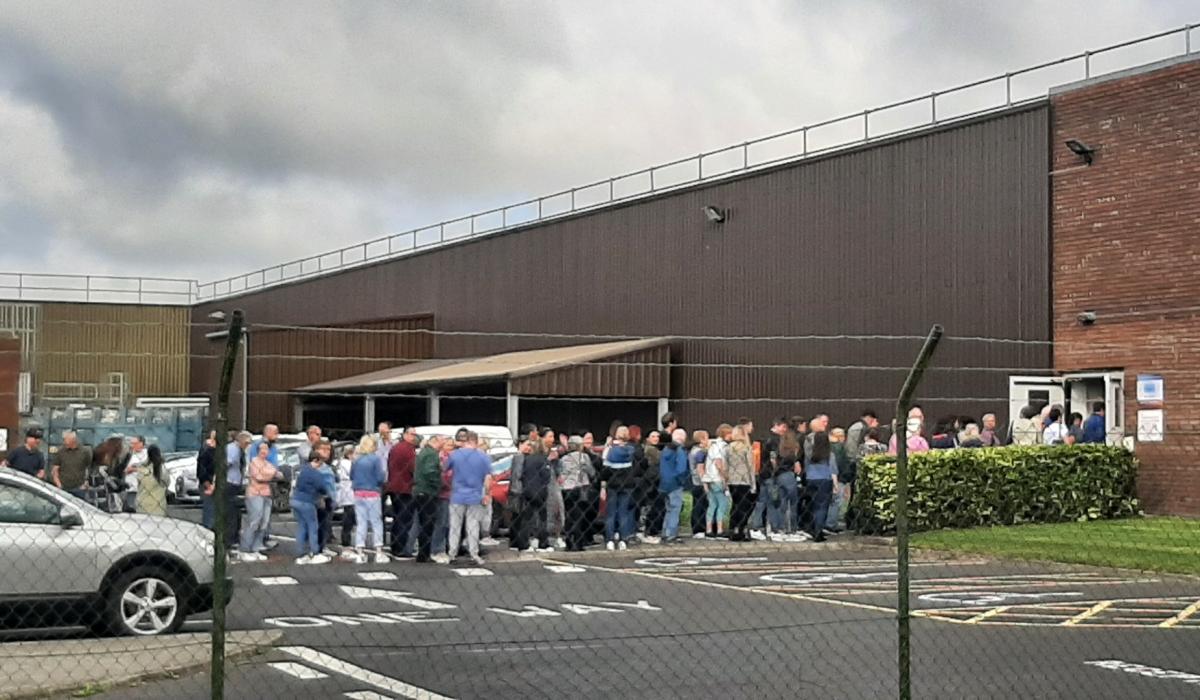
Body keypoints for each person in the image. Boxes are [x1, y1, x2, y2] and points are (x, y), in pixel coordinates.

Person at [446, 431, 493, 566]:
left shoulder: (454, 455)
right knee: (473, 525)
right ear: (476, 441)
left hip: (457, 494)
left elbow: (445, 470)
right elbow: (488, 477)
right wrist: (487, 494)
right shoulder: (483, 457)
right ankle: (474, 553)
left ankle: (452, 553)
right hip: (475, 495)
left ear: (465, 440)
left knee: (455, 525)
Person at [348, 435, 388, 563]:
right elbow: (380, 477)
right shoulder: (375, 459)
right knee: (376, 522)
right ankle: (379, 551)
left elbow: (351, 475)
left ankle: (360, 551)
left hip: (358, 493)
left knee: (361, 522)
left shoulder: (357, 460)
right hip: (372, 493)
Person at [291, 452, 334, 564]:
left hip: (296, 500)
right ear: (316, 460)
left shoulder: (303, 470)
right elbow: (323, 488)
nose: (321, 465)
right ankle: (315, 553)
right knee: (312, 527)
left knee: (302, 527)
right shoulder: (316, 474)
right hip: (307, 502)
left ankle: (302, 554)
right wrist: (329, 496)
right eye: (320, 463)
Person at [601, 425, 639, 550]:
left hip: (613, 484)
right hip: (627, 484)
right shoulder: (631, 450)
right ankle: (623, 540)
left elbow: (605, 469)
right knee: (623, 513)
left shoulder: (611, 450)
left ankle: (610, 540)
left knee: (611, 513)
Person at [240, 441, 279, 562]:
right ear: (258, 450)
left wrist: (269, 474)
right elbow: (259, 477)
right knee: (254, 521)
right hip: (254, 494)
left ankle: (256, 546)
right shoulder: (254, 462)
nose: (264, 451)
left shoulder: (268, 463)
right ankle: (245, 549)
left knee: (264, 521)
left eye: (266, 449)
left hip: (266, 494)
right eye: (262, 449)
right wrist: (271, 474)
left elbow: (279, 474)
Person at [514, 435, 553, 553]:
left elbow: (522, 475)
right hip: (540, 491)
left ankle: (523, 544)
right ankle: (543, 543)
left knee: (527, 518)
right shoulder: (543, 459)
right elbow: (546, 476)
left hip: (527, 491)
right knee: (542, 518)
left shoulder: (527, 459)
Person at [559, 436, 596, 551]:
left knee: (569, 515)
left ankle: (569, 541)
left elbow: (560, 472)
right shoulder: (584, 457)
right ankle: (578, 542)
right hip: (580, 488)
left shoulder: (564, 459)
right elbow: (591, 472)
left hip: (566, 488)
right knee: (579, 517)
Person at [386, 426, 419, 557]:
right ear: (405, 434)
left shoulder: (395, 448)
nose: (414, 437)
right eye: (412, 434)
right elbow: (413, 467)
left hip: (394, 486)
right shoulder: (408, 449)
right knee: (404, 519)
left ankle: (395, 545)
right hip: (405, 487)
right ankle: (400, 547)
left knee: (398, 517)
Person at [412, 434, 445, 562]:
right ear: (435, 441)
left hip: (419, 491)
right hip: (428, 492)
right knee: (428, 524)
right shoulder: (432, 454)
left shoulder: (423, 452)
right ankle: (424, 553)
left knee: (422, 523)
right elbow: (430, 472)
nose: (443, 445)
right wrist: (439, 484)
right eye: (442, 442)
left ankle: (422, 553)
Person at [658, 428, 690, 544]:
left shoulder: (665, 449)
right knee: (675, 509)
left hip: (664, 482)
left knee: (668, 509)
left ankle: (665, 533)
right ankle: (671, 534)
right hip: (675, 483)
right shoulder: (679, 450)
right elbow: (681, 468)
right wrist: (681, 481)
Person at [806, 431, 839, 542]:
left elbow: (806, 465)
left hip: (811, 479)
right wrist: (835, 484)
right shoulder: (829, 454)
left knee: (813, 506)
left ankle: (812, 528)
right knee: (822, 507)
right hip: (824, 479)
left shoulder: (811, 453)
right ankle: (818, 531)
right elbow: (833, 470)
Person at [725, 425, 756, 541]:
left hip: (732, 480)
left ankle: (732, 529)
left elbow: (726, 465)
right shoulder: (746, 448)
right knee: (743, 506)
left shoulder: (728, 448)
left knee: (735, 505)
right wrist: (753, 484)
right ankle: (741, 530)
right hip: (744, 480)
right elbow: (750, 466)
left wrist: (726, 481)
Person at [703, 425, 730, 539]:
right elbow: (719, 463)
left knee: (712, 505)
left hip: (709, 478)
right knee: (722, 504)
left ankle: (709, 529)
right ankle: (719, 529)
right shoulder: (722, 446)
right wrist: (725, 477)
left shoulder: (712, 445)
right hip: (718, 478)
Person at [541, 428, 566, 550]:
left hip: (554, 484)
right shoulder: (539, 452)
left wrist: (559, 472)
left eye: (553, 436)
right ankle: (545, 537)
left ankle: (558, 535)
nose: (552, 439)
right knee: (546, 511)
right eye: (550, 436)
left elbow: (559, 469)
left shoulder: (554, 452)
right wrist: (548, 459)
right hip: (542, 485)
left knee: (558, 509)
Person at [640, 430, 664, 544]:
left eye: (657, 436)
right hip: (652, 481)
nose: (656, 438)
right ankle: (650, 530)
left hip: (655, 481)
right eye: (653, 436)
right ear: (648, 439)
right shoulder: (650, 450)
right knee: (653, 506)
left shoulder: (656, 449)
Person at [51, 431, 92, 498]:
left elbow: (90, 467)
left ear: (73, 440)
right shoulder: (61, 452)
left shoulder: (85, 452)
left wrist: (86, 481)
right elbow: (55, 469)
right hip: (63, 488)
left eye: (65, 440)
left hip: (79, 489)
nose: (64, 442)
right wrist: (59, 485)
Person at [134, 444, 168, 516]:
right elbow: (167, 483)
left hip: (142, 503)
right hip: (158, 505)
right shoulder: (163, 469)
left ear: (148, 455)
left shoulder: (142, 469)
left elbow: (138, 483)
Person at [334, 445, 357, 551]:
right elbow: (352, 474)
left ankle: (346, 538)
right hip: (349, 490)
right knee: (349, 516)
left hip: (346, 490)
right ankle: (346, 539)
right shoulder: (347, 463)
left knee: (349, 515)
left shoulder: (340, 463)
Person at [688, 431, 709, 539]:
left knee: (698, 504)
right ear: (701, 439)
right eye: (706, 438)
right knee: (700, 505)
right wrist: (704, 482)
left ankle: (698, 527)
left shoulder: (693, 450)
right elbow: (700, 468)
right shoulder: (699, 452)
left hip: (695, 481)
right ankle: (699, 528)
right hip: (699, 482)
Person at [196, 430, 218, 530]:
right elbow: (202, 468)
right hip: (208, 483)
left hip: (212, 482)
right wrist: (207, 483)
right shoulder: (207, 450)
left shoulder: (213, 449)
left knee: (212, 509)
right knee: (210, 509)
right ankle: (209, 529)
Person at [123, 435, 149, 513]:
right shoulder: (128, 454)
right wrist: (126, 470)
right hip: (129, 488)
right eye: (131, 443)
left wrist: (134, 469)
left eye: (135, 443)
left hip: (142, 489)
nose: (132, 445)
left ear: (141, 443)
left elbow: (149, 470)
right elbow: (122, 468)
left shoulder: (147, 454)